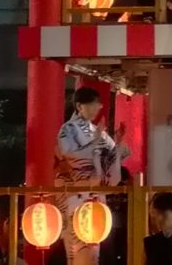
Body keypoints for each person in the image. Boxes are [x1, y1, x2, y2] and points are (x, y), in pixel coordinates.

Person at [55, 86, 130, 265]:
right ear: (80, 106)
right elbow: (70, 155)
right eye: (94, 104)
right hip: (77, 194)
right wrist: (96, 147)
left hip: (95, 196)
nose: (98, 108)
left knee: (93, 248)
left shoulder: (96, 131)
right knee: (77, 248)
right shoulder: (68, 129)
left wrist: (118, 145)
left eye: (99, 104)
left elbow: (115, 153)